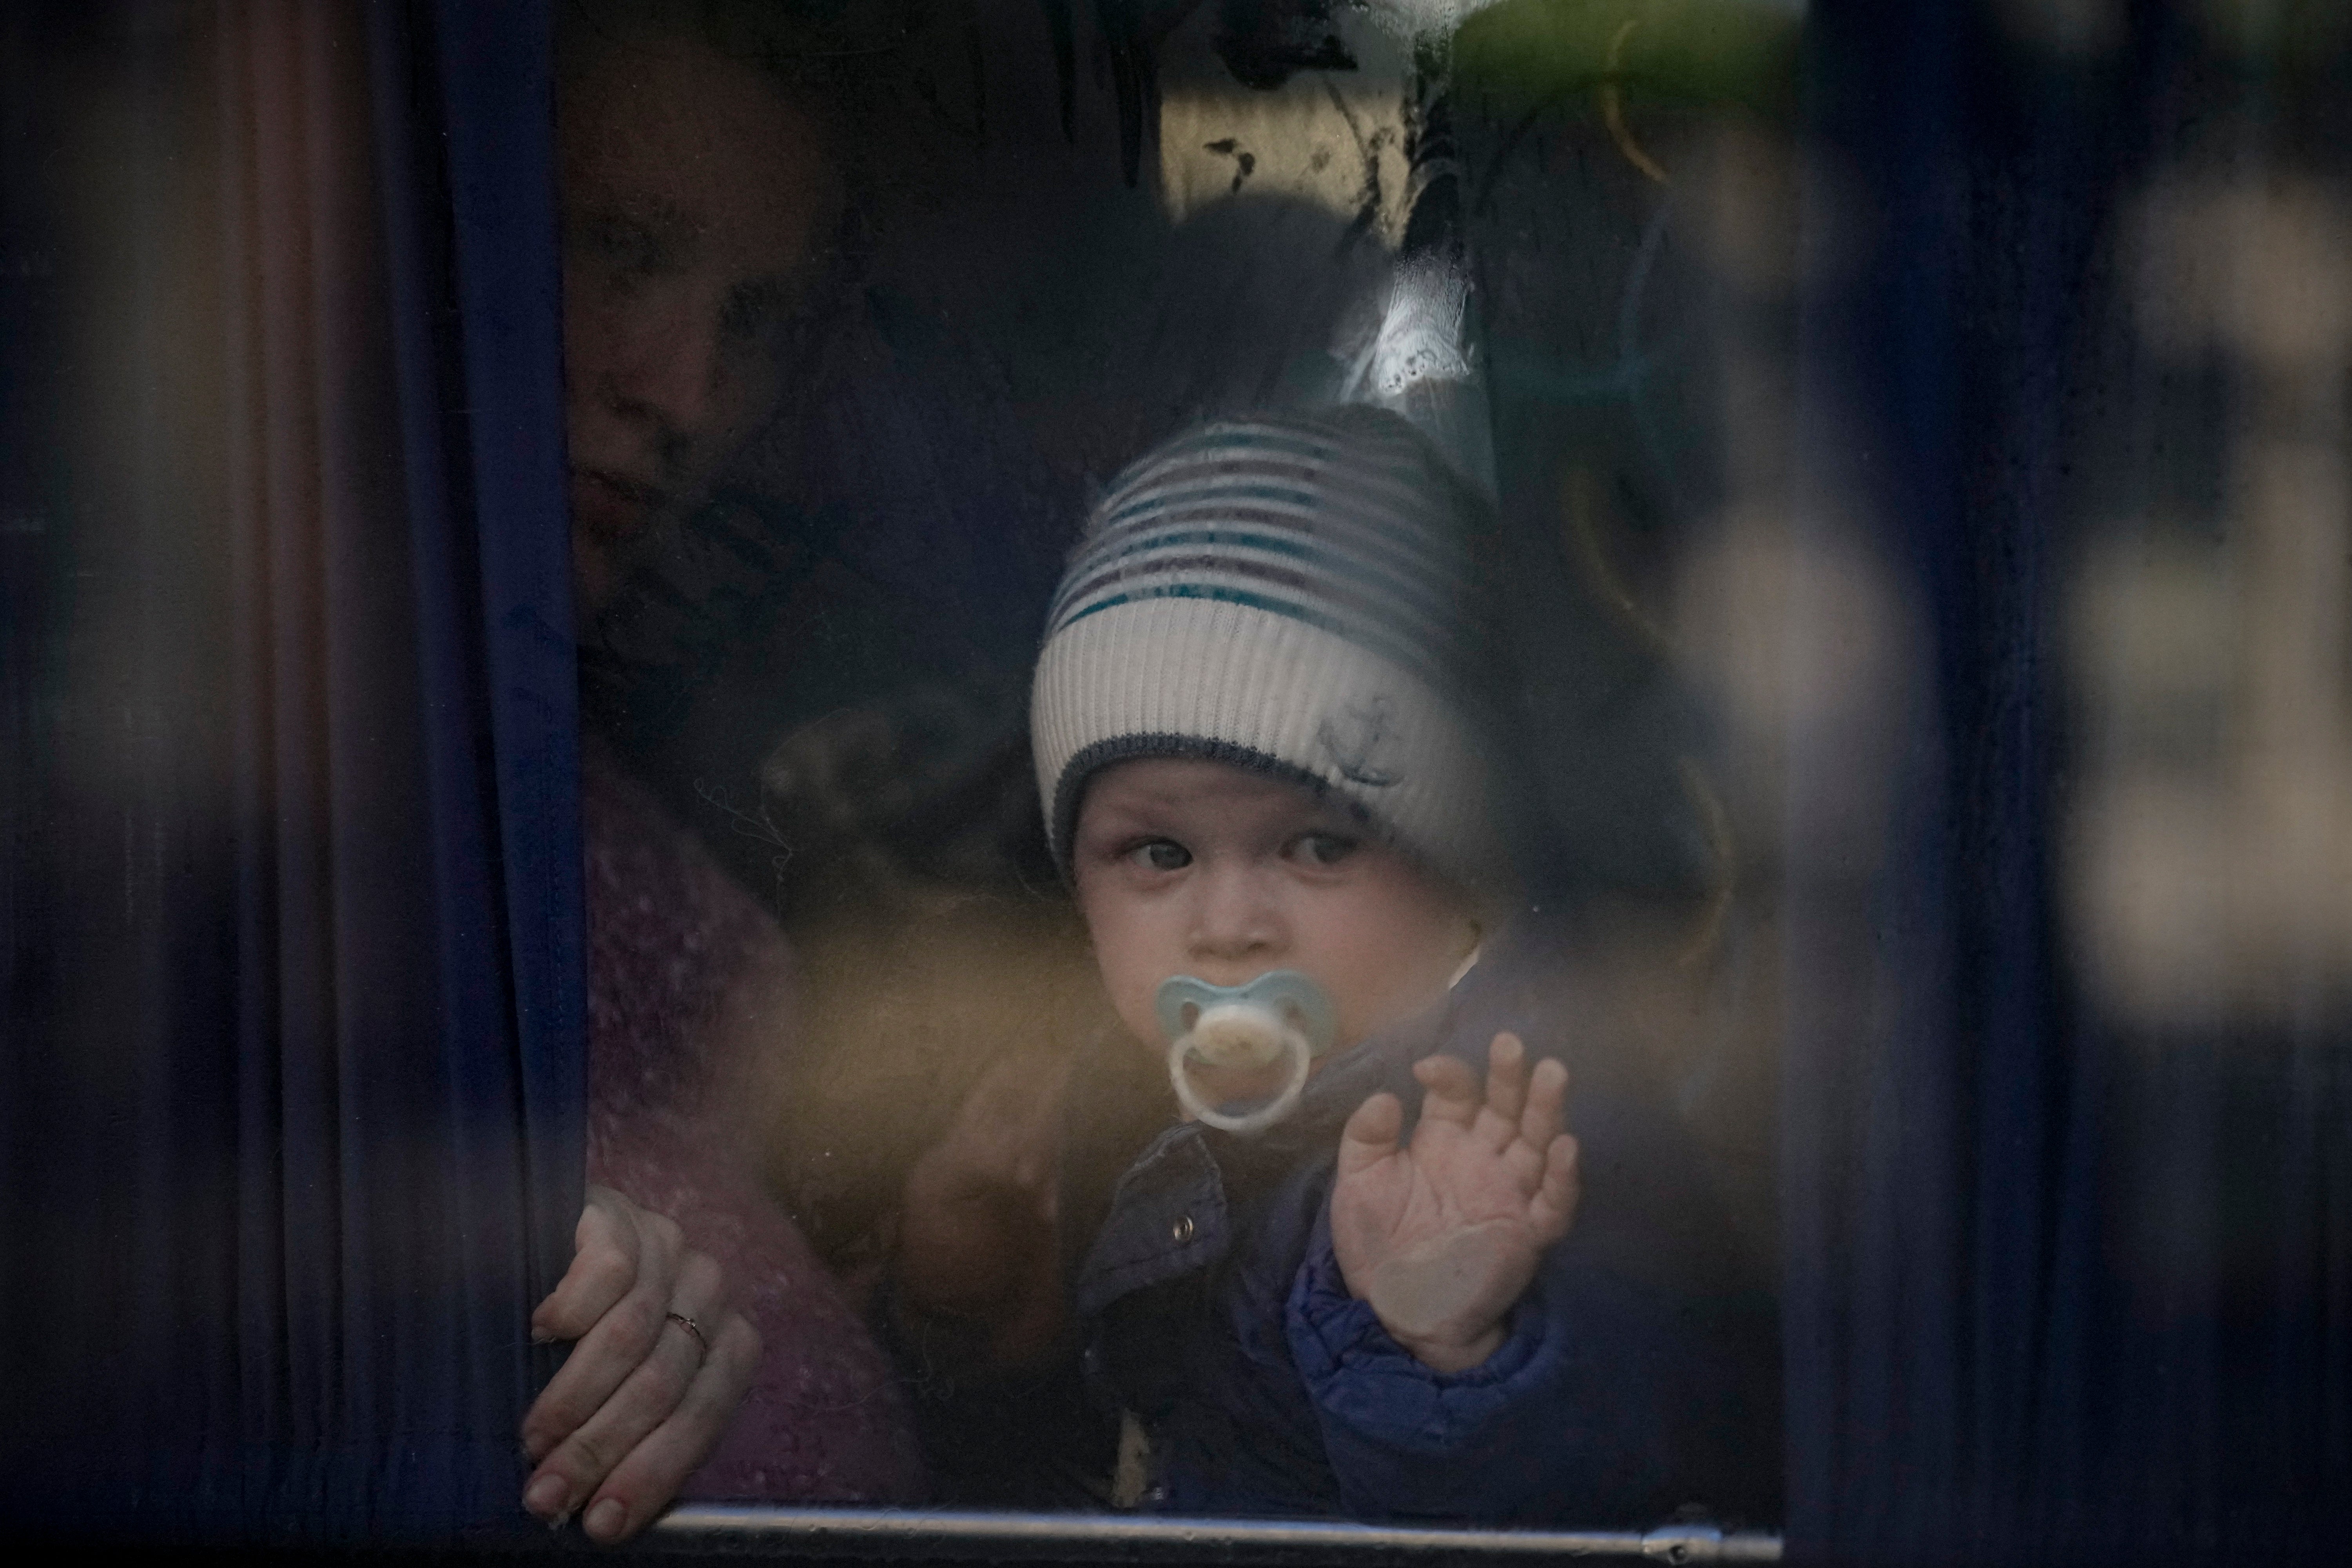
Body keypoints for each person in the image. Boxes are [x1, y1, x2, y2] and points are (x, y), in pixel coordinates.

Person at [896, 404, 1769, 1520]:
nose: (1227, 922)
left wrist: (1445, 1346)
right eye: (1157, 853)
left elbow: (1626, 1475)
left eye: (1317, 844)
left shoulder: (1531, 1131)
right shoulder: (1119, 1118)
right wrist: (970, 1317)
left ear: (1465, 868)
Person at [513, 9, 923, 1542]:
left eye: (751, 319)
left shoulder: (657, 796)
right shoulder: (160, 771)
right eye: (619, 249)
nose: (681, 394)